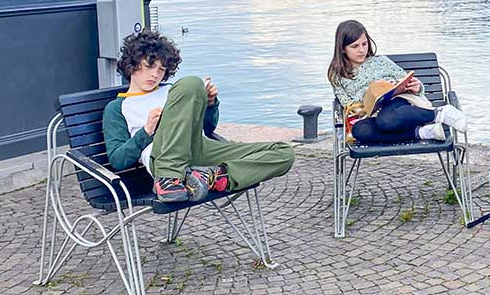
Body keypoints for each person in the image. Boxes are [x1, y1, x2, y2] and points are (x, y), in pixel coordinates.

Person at [103, 31, 295, 203]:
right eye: (149, 66)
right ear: (132, 65)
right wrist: (146, 130)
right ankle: (169, 179)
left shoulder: (174, 91)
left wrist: (210, 104)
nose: (154, 75)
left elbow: (208, 129)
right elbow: (118, 160)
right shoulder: (118, 108)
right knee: (191, 83)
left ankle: (213, 177)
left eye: (161, 70)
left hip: (198, 148)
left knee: (283, 153)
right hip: (162, 156)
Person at [328, 20, 467, 144]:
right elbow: (347, 105)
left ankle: (439, 113)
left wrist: (417, 87)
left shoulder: (380, 62)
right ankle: (422, 132)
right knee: (359, 130)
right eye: (355, 46)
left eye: (364, 44)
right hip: (371, 113)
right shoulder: (337, 76)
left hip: (398, 102)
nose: (361, 50)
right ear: (342, 49)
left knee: (386, 120)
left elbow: (406, 79)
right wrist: (366, 100)